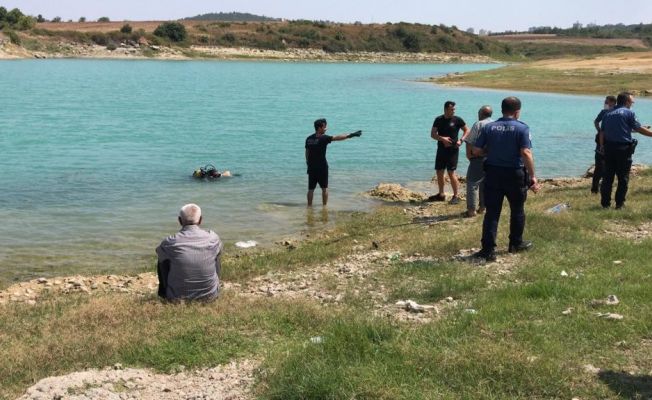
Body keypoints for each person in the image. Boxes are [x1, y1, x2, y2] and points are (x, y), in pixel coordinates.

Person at [472, 97, 540, 261]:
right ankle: (515, 244)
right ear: (517, 111)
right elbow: (526, 153)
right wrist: (533, 176)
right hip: (514, 174)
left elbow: (476, 150)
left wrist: (491, 152)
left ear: (502, 110)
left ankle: (488, 250)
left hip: (493, 173)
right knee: (517, 210)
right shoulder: (522, 128)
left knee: (492, 213)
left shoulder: (489, 127)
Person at [156, 203, 224, 301]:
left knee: (162, 259)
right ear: (200, 220)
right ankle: (213, 287)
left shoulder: (170, 242)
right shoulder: (212, 238)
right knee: (216, 254)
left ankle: (164, 293)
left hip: (176, 297)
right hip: (210, 296)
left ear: (179, 221)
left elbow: (158, 252)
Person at [599, 92, 652, 209]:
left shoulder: (607, 113)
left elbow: (602, 132)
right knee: (623, 178)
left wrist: (602, 146)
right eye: (632, 102)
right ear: (627, 101)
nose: (632, 104)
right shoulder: (629, 112)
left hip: (608, 148)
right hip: (623, 149)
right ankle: (619, 204)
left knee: (607, 177)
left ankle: (605, 204)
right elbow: (638, 129)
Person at [305, 118, 361, 206]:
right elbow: (337, 138)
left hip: (311, 168)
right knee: (324, 188)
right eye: (324, 127)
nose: (326, 129)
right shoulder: (324, 138)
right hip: (322, 168)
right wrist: (351, 135)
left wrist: (308, 163)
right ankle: (324, 207)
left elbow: (307, 152)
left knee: (311, 189)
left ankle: (309, 207)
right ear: (319, 128)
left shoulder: (308, 139)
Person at [430, 100, 470, 204]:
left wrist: (461, 140)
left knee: (451, 172)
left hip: (453, 150)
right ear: (446, 109)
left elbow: (467, 130)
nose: (453, 111)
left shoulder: (457, 120)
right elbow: (433, 134)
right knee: (439, 171)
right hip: (441, 149)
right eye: (452, 109)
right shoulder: (438, 119)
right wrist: (442, 139)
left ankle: (456, 196)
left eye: (454, 109)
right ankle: (441, 194)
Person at [463, 105, 493, 217]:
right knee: (485, 184)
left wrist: (468, 154)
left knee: (472, 183)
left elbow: (469, 140)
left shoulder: (479, 124)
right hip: (491, 159)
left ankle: (471, 210)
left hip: (478, 157)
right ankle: (482, 208)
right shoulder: (495, 124)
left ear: (481, 114)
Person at [592, 95, 616, 193]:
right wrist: (600, 131)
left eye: (606, 102)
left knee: (606, 165)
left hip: (610, 142)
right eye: (605, 102)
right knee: (599, 165)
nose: (605, 104)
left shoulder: (614, 112)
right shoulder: (604, 111)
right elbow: (596, 122)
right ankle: (594, 188)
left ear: (613, 102)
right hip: (602, 141)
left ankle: (602, 186)